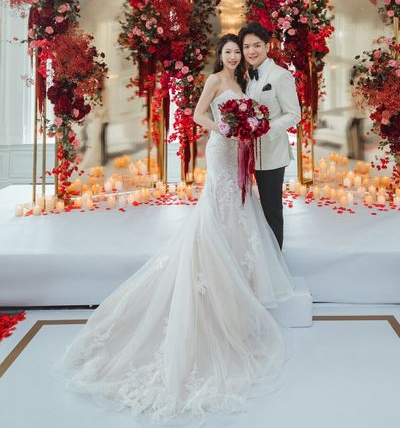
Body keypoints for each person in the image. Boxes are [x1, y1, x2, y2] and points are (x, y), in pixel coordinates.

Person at [56, 33, 294, 425]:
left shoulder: (247, 82)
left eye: (240, 51)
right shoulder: (217, 81)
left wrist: (246, 128)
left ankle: (239, 280)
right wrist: (222, 127)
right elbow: (199, 114)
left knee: (241, 209)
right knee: (217, 208)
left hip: (241, 151)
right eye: (230, 51)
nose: (235, 56)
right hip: (221, 149)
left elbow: (263, 115)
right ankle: (213, 272)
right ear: (221, 55)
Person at [239, 22, 301, 249]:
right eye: (246, 47)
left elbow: (294, 114)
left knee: (271, 209)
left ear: (267, 46)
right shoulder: (247, 76)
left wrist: (265, 128)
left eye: (257, 45)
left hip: (272, 154)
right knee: (250, 208)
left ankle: (276, 262)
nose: (251, 51)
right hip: (247, 154)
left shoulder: (281, 76)